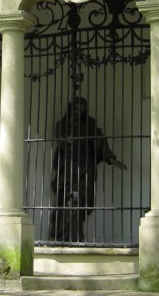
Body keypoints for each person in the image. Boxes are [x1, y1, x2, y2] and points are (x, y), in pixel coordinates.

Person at [50, 97, 126, 243]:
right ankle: (71, 236)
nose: (79, 111)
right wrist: (66, 140)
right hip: (70, 167)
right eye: (77, 108)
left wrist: (110, 158)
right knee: (70, 201)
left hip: (86, 168)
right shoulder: (63, 124)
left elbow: (100, 140)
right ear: (71, 108)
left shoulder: (90, 125)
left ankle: (73, 235)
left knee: (84, 202)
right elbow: (60, 137)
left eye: (82, 108)